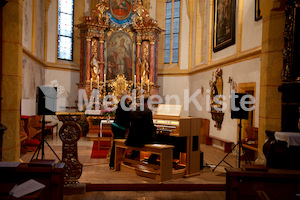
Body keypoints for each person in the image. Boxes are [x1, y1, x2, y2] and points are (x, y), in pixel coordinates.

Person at [109, 95, 132, 169]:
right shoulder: (125, 106)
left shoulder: (120, 104)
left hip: (116, 126)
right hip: (120, 128)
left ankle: (113, 163)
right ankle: (117, 162)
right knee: (119, 146)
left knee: (115, 145)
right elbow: (128, 118)